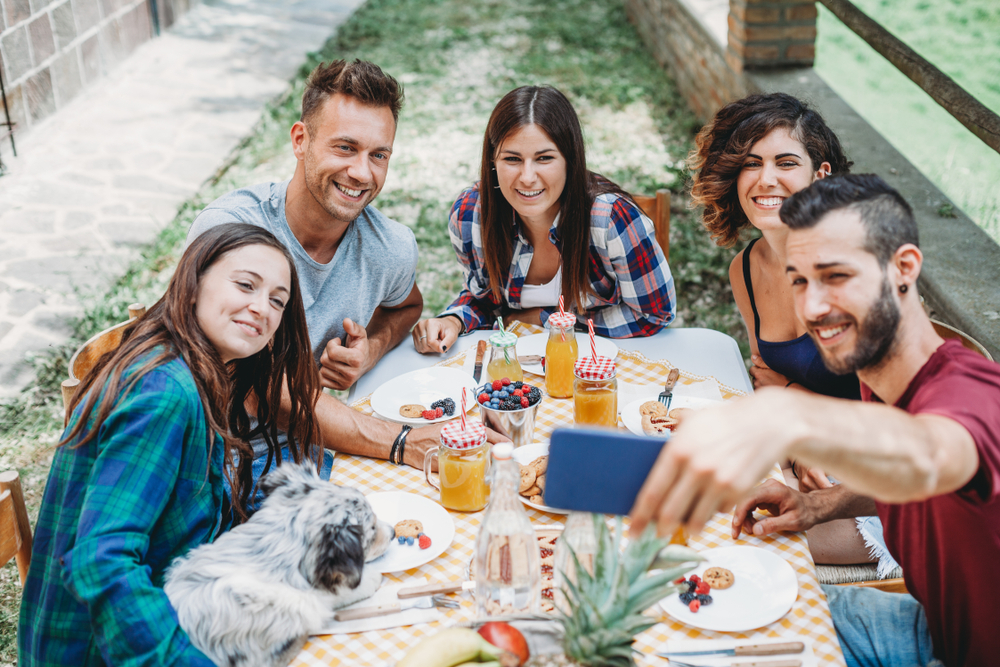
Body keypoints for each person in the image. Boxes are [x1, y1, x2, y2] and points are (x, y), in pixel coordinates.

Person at [630, 174, 1000, 667]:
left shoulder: (969, 396)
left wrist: (787, 414)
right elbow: (910, 475)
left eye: (837, 276)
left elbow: (934, 455)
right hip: (932, 626)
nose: (812, 307)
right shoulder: (876, 374)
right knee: (702, 630)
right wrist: (818, 505)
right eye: (799, 280)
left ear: (903, 268)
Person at [19, 223, 320, 666]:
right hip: (102, 650)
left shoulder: (194, 369)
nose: (262, 308)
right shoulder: (164, 393)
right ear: (194, 283)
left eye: (277, 300)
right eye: (245, 285)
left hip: (174, 610)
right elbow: (101, 561)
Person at [188, 60, 491, 489]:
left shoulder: (390, 246)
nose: (362, 173)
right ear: (300, 140)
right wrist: (402, 441)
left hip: (305, 450)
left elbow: (406, 305)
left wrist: (371, 349)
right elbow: (263, 389)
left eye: (379, 155)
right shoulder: (230, 232)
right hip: (203, 454)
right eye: (345, 148)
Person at [689, 92, 877, 568]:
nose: (765, 179)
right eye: (751, 163)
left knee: (733, 542)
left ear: (821, 175)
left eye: (785, 162)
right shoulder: (746, 269)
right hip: (799, 463)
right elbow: (764, 384)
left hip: (877, 494)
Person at [411, 85, 675, 353]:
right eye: (512, 159)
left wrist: (544, 320)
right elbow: (486, 301)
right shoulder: (470, 215)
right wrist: (454, 319)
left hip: (594, 366)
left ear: (570, 160)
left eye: (544, 158)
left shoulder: (611, 219)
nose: (527, 177)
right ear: (493, 160)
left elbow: (653, 314)